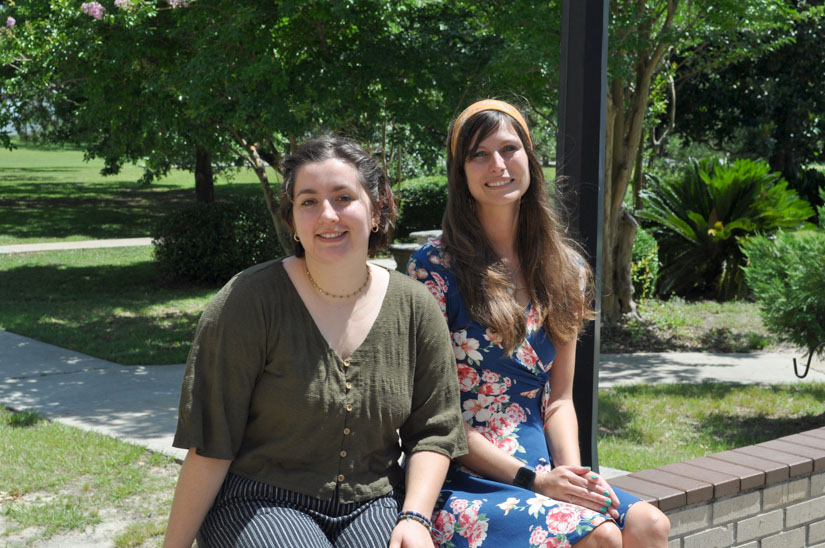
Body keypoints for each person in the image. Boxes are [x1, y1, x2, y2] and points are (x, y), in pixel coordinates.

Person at [163, 136, 468, 548]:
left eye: (344, 197)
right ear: (292, 220)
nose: (328, 214)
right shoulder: (248, 301)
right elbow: (211, 443)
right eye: (308, 201)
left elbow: (434, 431)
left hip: (373, 502)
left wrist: (414, 517)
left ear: (376, 209)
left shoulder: (416, 307)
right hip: (260, 498)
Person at [407, 99, 670, 547]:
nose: (497, 165)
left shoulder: (566, 270)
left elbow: (559, 400)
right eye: (478, 154)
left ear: (530, 158)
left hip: (543, 466)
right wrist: (535, 482)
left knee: (650, 525)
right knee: (601, 537)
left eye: (509, 149)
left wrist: (573, 479)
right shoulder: (433, 269)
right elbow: (436, 416)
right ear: (461, 174)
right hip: (463, 472)